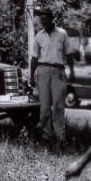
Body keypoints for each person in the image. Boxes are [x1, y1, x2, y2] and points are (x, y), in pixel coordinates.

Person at [29, 8, 75, 142]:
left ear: (52, 19)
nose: (43, 22)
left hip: (58, 72)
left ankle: (60, 138)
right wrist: (32, 76)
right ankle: (46, 137)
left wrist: (72, 71)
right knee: (44, 106)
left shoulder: (62, 34)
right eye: (41, 20)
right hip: (42, 71)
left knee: (58, 105)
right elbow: (34, 58)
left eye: (45, 19)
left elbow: (69, 54)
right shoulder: (39, 36)